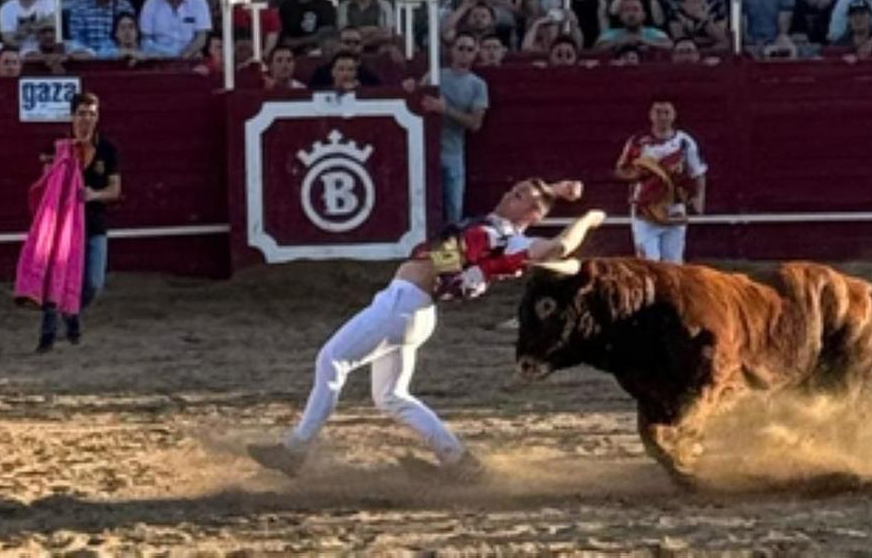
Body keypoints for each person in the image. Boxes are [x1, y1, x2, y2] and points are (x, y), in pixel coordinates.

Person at [249, 179, 602, 480]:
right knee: (391, 396)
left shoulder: (513, 241)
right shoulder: (495, 227)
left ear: (532, 215)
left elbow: (557, 247)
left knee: (331, 360)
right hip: (414, 309)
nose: (510, 195)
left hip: (404, 303)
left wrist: (588, 218)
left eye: (519, 195)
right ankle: (458, 459)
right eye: (513, 189)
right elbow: (469, 242)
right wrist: (558, 188)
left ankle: (295, 450)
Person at [34, 93, 120, 353]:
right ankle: (51, 332)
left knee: (93, 282)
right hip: (62, 226)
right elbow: (47, 186)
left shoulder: (107, 149)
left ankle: (70, 313)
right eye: (82, 113)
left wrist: (95, 194)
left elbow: (114, 190)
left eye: (92, 114)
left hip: (93, 222)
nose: (87, 119)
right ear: (72, 116)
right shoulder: (57, 147)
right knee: (56, 278)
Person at [614, 99, 708, 264]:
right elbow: (620, 169)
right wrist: (635, 174)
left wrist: (699, 198)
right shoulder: (637, 141)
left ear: (674, 115)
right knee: (648, 264)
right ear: (651, 115)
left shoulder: (684, 142)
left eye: (666, 112)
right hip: (645, 209)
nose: (662, 117)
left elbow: (698, 172)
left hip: (674, 207)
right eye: (658, 112)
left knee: (674, 263)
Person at [422, 34, 489, 229]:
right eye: (460, 48)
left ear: (476, 53)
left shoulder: (478, 84)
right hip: (429, 149)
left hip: (453, 150)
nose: (464, 54)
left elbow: (475, 124)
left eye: (469, 49)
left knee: (453, 209)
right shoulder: (435, 75)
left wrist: (445, 110)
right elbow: (415, 99)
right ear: (452, 51)